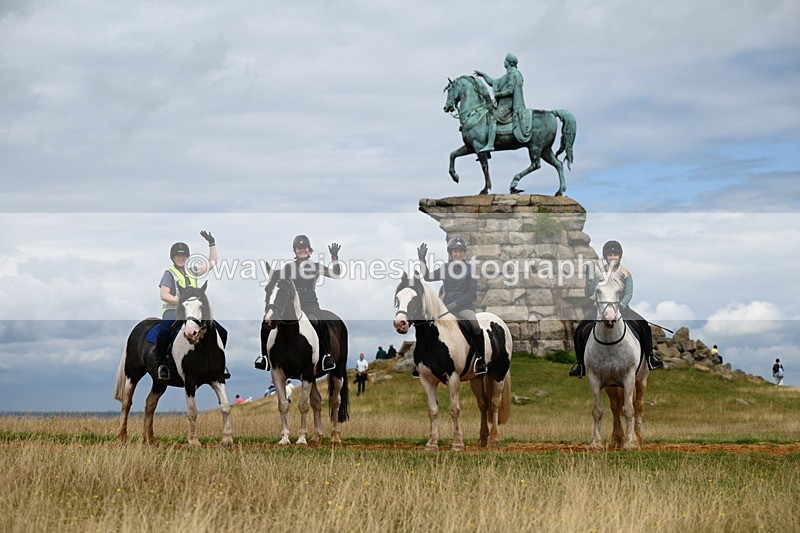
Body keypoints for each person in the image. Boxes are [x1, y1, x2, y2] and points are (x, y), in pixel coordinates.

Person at [570, 240, 664, 378]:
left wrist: (621, 305)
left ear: (620, 256)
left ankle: (650, 358)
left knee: (644, 325)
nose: (612, 257)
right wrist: (589, 279)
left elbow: (629, 293)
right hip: (600, 309)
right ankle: (581, 365)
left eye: (615, 254)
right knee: (580, 330)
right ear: (605, 257)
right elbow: (589, 293)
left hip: (621, 308)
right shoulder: (598, 273)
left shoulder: (625, 274)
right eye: (610, 255)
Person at [255, 235, 342, 373]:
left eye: (304, 248)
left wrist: (334, 257)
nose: (302, 250)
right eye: (299, 248)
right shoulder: (288, 267)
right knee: (266, 323)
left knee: (320, 322)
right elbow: (277, 277)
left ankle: (327, 356)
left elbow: (336, 274)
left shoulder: (315, 267)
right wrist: (269, 271)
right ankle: (264, 358)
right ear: (295, 251)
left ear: (309, 250)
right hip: (291, 305)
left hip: (310, 303)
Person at [155, 231, 228, 382]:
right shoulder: (169, 273)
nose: (180, 258)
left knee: (221, 331)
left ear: (187, 257)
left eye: (183, 256)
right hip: (173, 311)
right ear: (173, 258)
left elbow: (212, 262)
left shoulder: (192, 270)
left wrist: (212, 244)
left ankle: (220, 364)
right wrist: (180, 302)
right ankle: (161, 365)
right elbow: (164, 294)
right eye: (177, 256)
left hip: (194, 313)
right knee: (163, 332)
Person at [417, 237, 487, 375]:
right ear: (451, 253)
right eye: (455, 251)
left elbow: (472, 294)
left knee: (475, 325)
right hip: (446, 306)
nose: (458, 254)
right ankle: (422, 359)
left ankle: (480, 359)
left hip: (464, 306)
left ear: (464, 253)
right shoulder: (445, 268)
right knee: (427, 324)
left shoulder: (470, 269)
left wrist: (456, 304)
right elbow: (427, 277)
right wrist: (422, 260)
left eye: (460, 251)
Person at [473, 53, 532, 159]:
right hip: (504, 105)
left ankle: (490, 144)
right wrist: (484, 75)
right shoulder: (508, 75)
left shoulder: (513, 74)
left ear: (509, 62)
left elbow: (510, 90)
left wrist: (499, 94)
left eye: (505, 60)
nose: (503, 62)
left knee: (491, 117)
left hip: (508, 106)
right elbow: (494, 82)